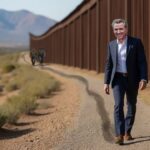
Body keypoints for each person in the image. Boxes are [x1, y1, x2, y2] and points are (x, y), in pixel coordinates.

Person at [104, 19, 148, 145]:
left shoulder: (136, 42)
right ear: (113, 31)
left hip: (132, 79)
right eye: (116, 29)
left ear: (126, 29)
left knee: (131, 105)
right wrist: (106, 82)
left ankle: (127, 131)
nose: (119, 31)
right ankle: (119, 134)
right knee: (118, 105)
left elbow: (142, 62)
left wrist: (143, 78)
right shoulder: (111, 44)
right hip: (118, 79)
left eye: (121, 29)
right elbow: (109, 64)